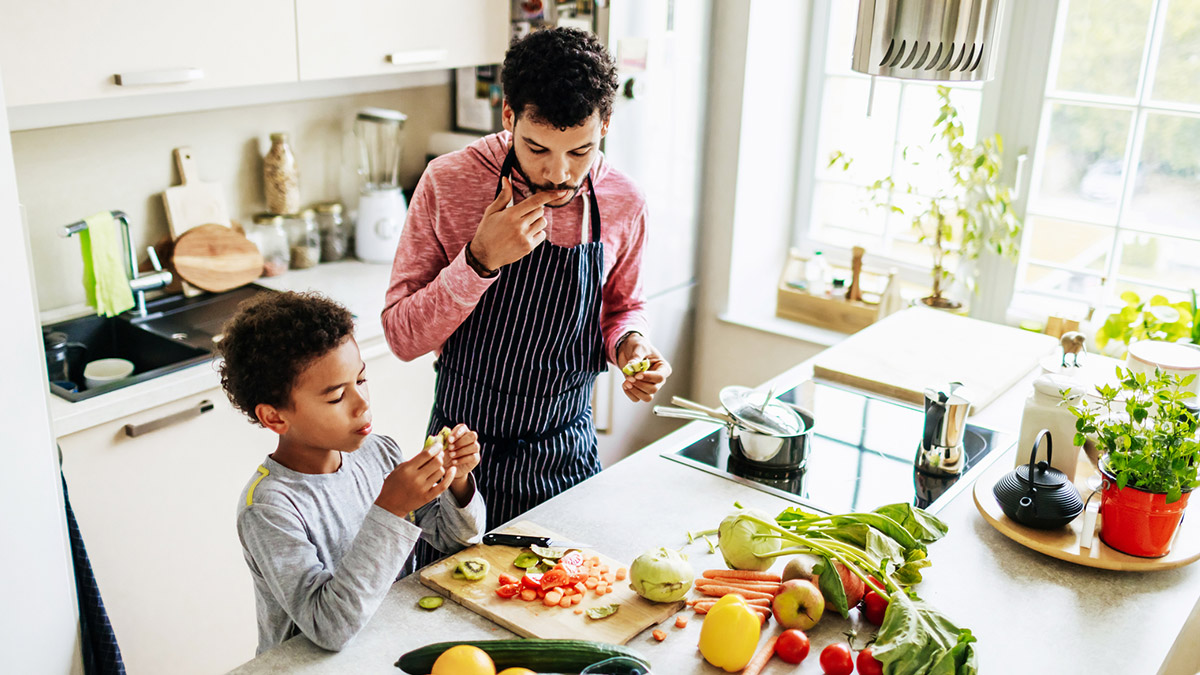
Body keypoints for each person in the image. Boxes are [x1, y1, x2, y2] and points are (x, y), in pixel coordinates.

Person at [382, 28, 672, 569]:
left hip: (567, 456)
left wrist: (632, 347)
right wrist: (478, 262)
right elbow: (401, 336)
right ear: (509, 116)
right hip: (461, 462)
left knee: (568, 612)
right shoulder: (449, 183)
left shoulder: (623, 200)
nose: (558, 173)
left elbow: (623, 307)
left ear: (605, 126)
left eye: (581, 150)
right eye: (538, 148)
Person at [219, 291, 486, 654]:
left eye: (360, 381)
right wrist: (389, 510)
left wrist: (457, 482)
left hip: (386, 648)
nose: (363, 404)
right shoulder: (269, 508)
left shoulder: (379, 453)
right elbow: (328, 627)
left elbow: (456, 543)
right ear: (275, 417)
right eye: (335, 397)